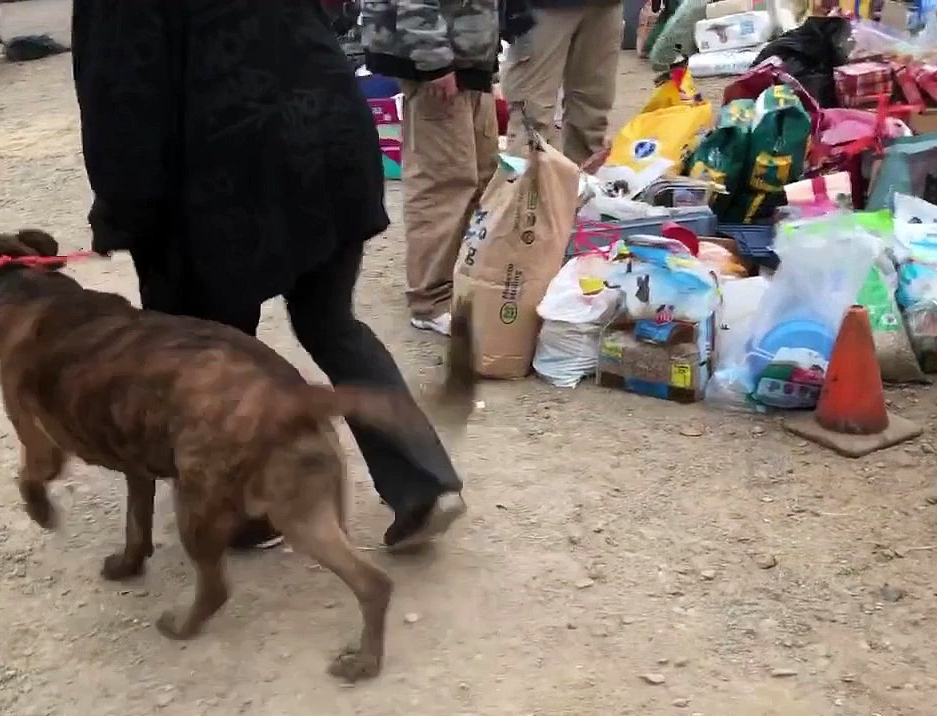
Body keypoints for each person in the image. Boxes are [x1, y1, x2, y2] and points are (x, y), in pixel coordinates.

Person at [71, 0, 467, 552]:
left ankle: (244, 511)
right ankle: (421, 481)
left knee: (210, 353)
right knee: (330, 323)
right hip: (326, 133)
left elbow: (120, 96)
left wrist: (124, 212)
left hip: (229, 170)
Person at [361, 0, 499, 337]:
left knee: (482, 176)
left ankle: (457, 283)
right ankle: (430, 300)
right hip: (438, 63)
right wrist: (435, 63)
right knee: (443, 184)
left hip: (468, 60)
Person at [501, 0, 622, 166]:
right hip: (542, 8)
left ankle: (583, 186)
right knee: (531, 118)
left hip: (605, 6)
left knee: (592, 116)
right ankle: (523, 188)